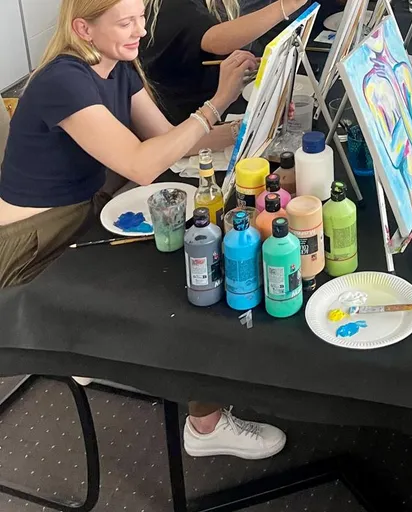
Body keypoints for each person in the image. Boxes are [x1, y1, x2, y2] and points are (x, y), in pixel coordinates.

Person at [0, 0, 285, 461]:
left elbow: (169, 140)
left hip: (80, 215)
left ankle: (92, 338)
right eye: (125, 22)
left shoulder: (118, 65)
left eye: (141, 19)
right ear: (83, 29)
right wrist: (218, 101)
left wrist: (254, 125)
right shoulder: (63, 81)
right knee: (177, 282)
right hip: (30, 245)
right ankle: (204, 423)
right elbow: (144, 164)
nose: (139, 31)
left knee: (190, 256)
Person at [141, 0, 313, 123]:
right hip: (187, 120)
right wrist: (287, 5)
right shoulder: (169, 6)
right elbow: (216, 40)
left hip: (213, 110)